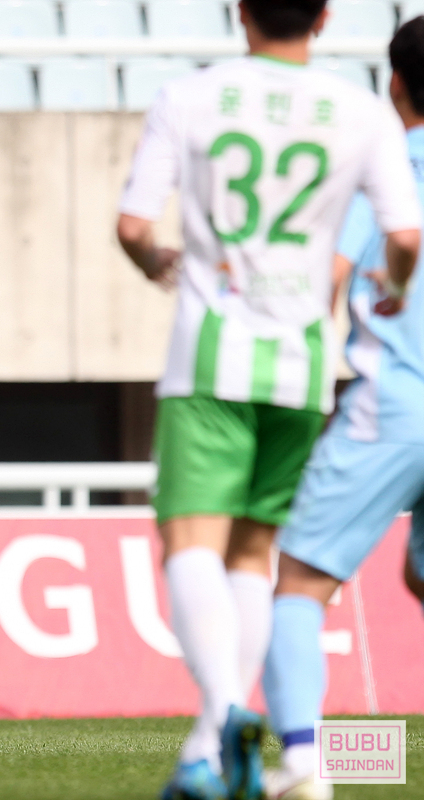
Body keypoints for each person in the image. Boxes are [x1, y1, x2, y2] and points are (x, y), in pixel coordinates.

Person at [115, 0, 422, 796]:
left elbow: (134, 225)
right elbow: (405, 237)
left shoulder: (191, 96)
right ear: (324, 18)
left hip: (221, 356)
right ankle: (211, 747)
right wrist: (396, 286)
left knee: (204, 545)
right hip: (301, 367)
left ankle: (236, 722)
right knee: (257, 554)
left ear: (241, 12)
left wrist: (154, 263)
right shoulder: (360, 115)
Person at [262, 18, 424, 800]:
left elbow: (328, 278)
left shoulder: (386, 169)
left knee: (298, 581)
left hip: (395, 406)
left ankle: (302, 766)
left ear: (395, 84)